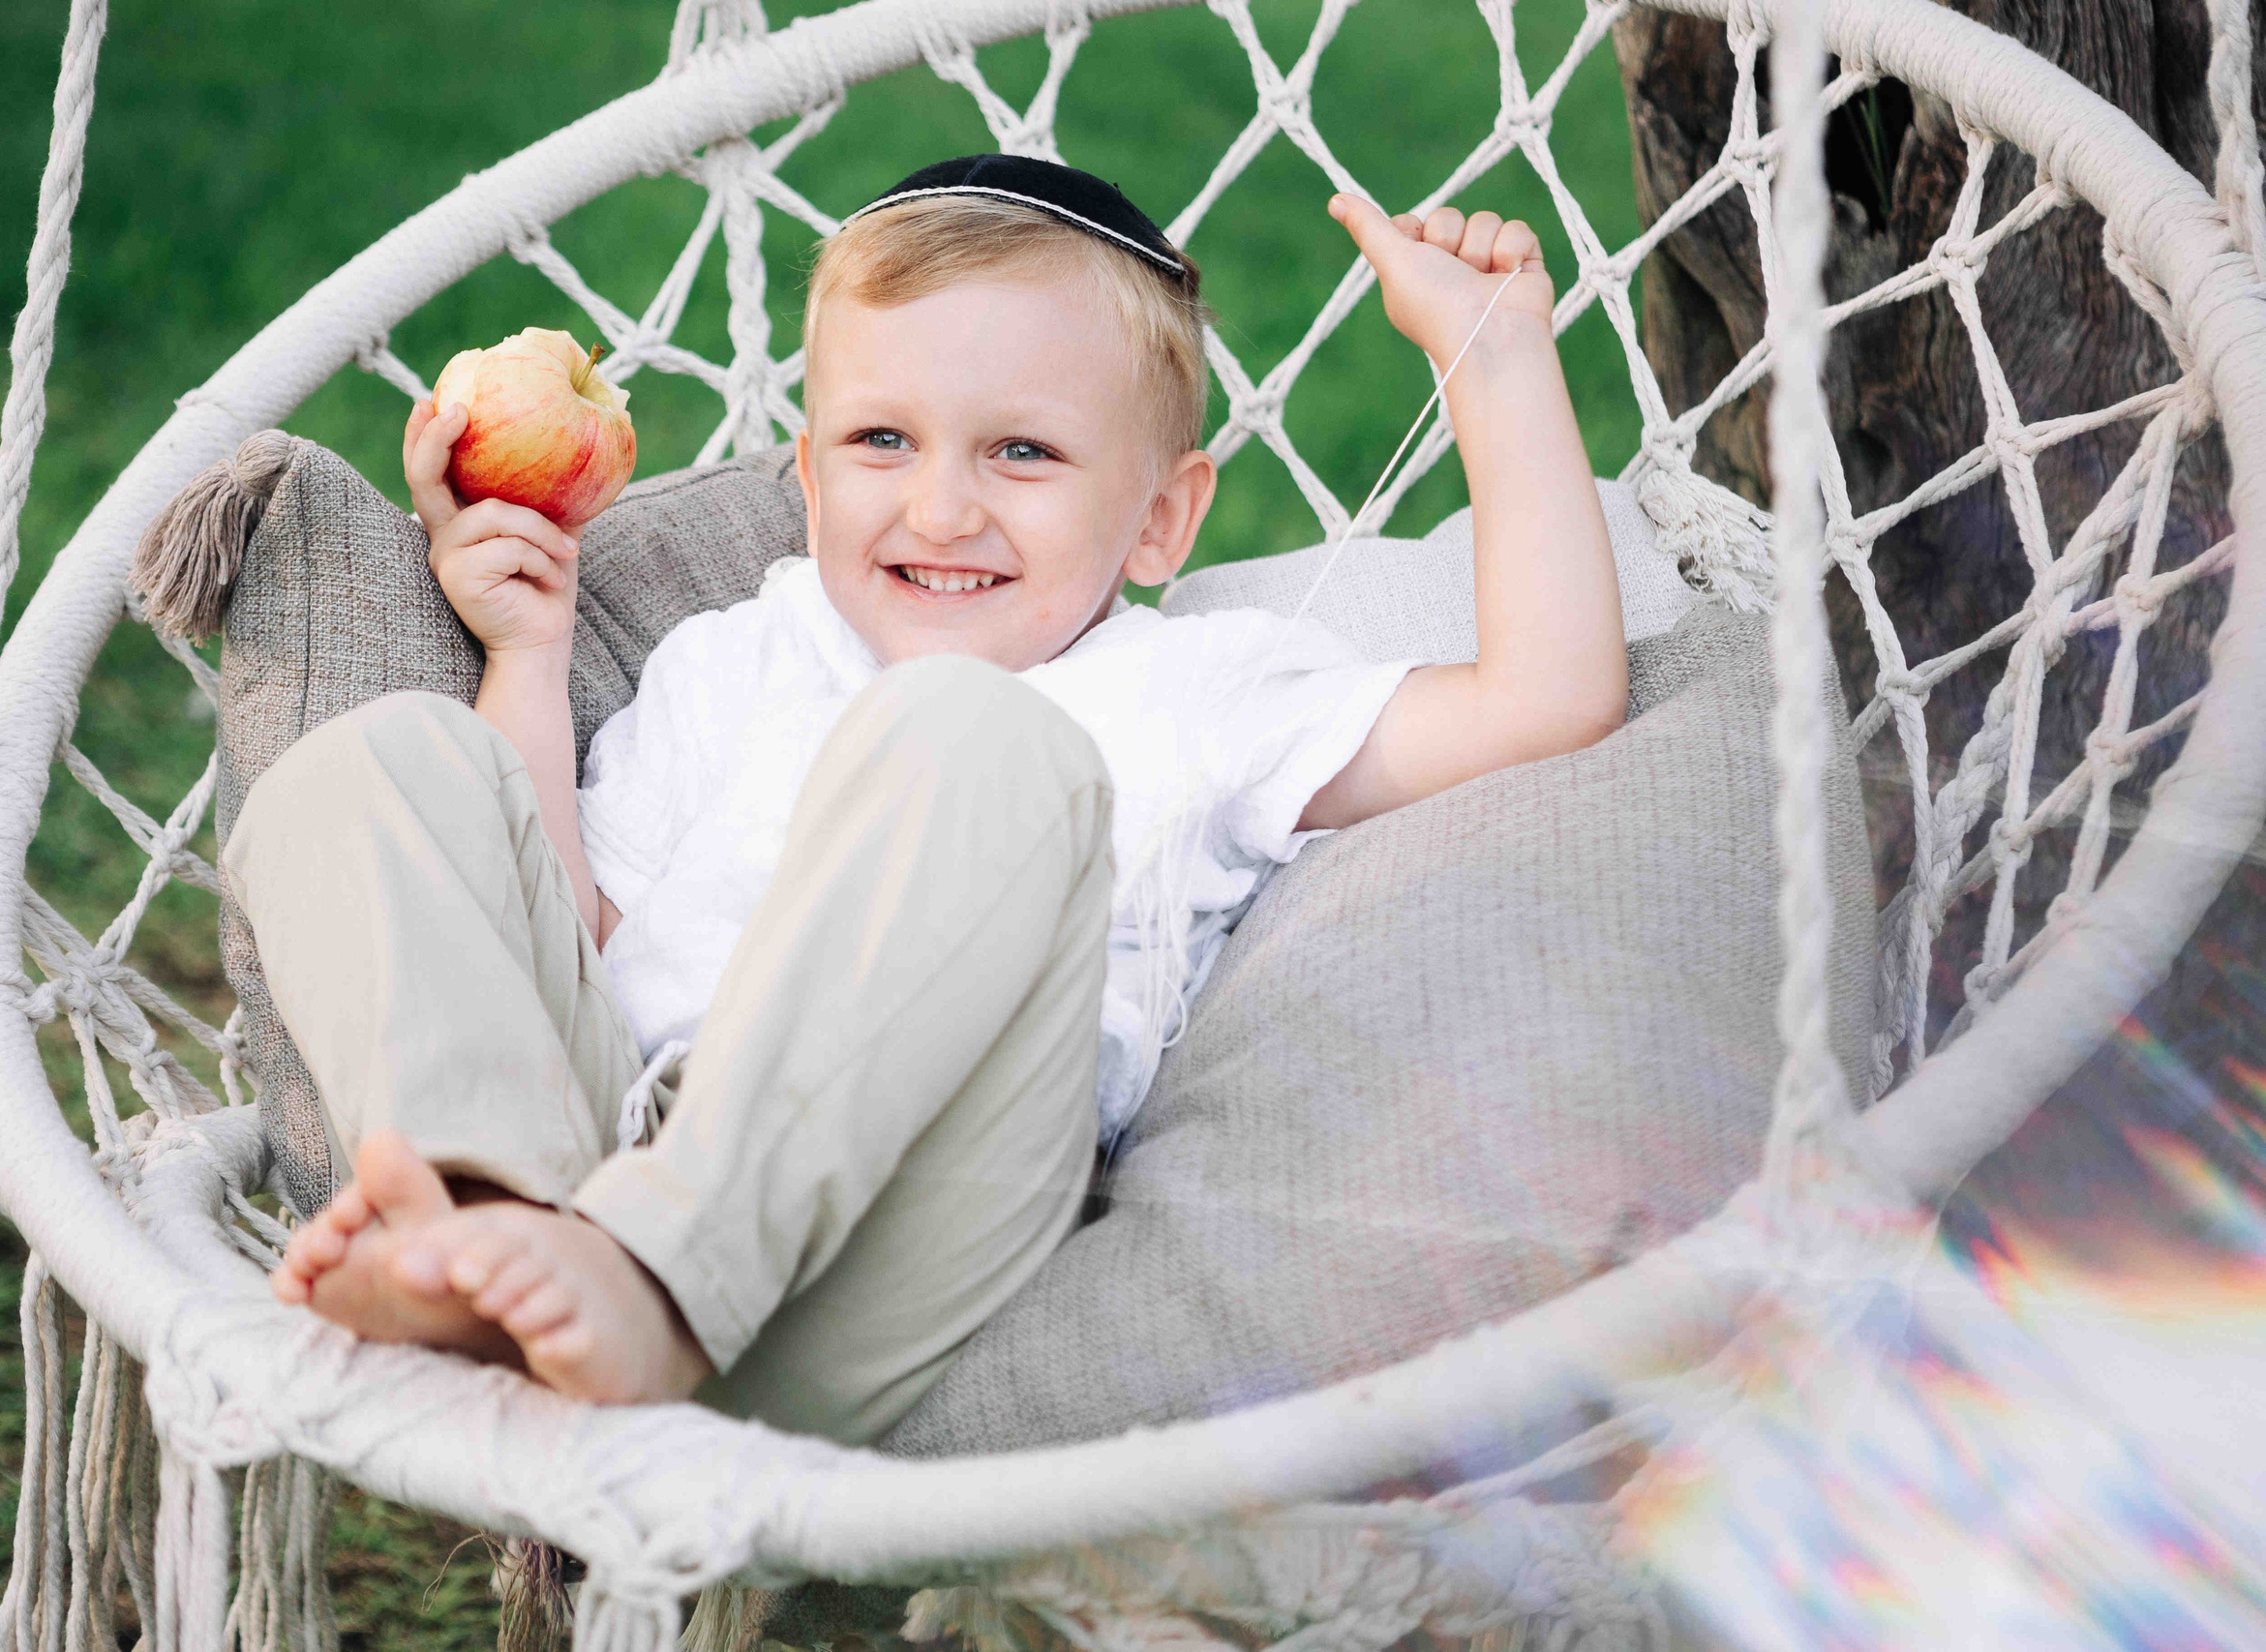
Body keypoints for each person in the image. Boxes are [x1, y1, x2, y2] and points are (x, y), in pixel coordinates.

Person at [235, 155, 1624, 1444]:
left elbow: (1543, 701)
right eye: (884, 441)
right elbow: (572, 929)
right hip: (598, 1169)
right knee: (379, 761)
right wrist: (530, 654)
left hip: (909, 1244)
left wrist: (1493, 365)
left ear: (1162, 519)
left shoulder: (1206, 684)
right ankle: (476, 1221)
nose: (943, 509)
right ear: (807, 474)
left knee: (962, 732)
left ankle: (651, 1279)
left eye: (1022, 453)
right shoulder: (741, 653)